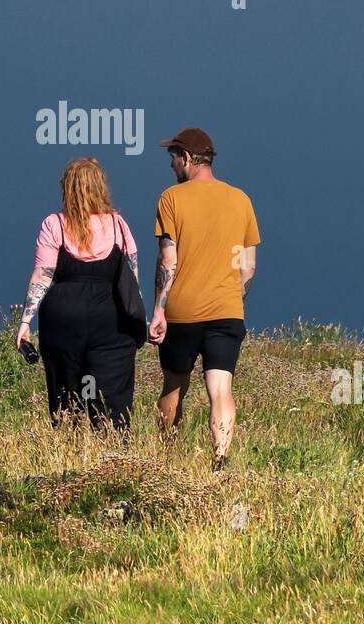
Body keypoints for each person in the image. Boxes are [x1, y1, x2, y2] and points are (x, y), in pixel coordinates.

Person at [148, 127, 260, 470]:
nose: (170, 165)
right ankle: (220, 457)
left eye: (172, 158)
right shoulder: (240, 199)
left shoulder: (171, 198)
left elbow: (169, 259)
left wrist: (158, 310)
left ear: (186, 158)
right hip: (227, 311)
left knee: (174, 383)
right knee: (221, 386)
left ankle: (166, 459)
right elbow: (249, 266)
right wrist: (232, 294)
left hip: (183, 311)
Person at [16, 157, 141, 431]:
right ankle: (112, 453)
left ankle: (68, 447)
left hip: (63, 319)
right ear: (101, 187)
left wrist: (25, 322)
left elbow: (43, 275)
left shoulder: (54, 225)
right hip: (112, 321)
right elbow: (133, 278)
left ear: (67, 189)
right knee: (111, 395)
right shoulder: (119, 225)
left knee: (65, 390)